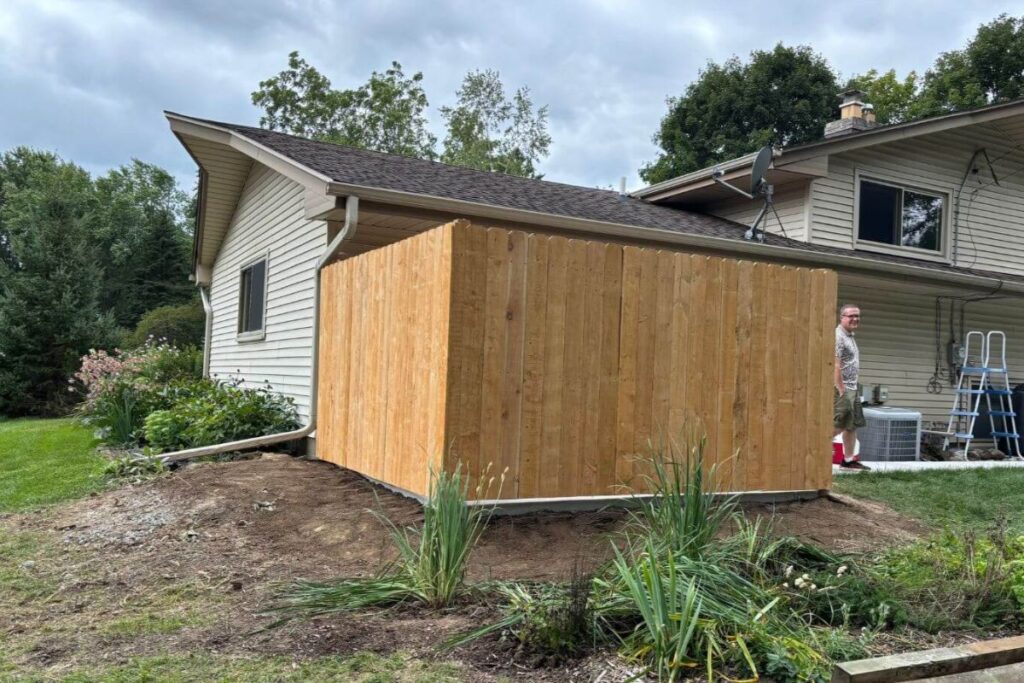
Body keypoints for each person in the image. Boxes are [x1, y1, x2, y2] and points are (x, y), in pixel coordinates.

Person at [834, 304, 870, 470]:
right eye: (851, 316)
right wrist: (841, 390)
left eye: (857, 316)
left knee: (852, 425)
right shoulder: (838, 336)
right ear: (842, 317)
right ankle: (814, 455)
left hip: (852, 388)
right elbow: (835, 365)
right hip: (842, 389)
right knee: (838, 425)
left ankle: (848, 461)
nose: (855, 319)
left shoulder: (849, 336)